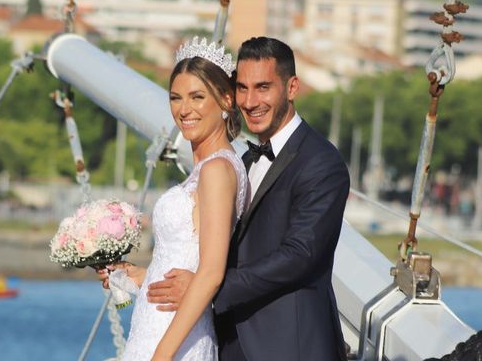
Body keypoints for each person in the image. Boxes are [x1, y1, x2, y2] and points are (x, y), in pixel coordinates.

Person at [147, 37, 350, 360]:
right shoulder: (243, 161)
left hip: (289, 347)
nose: (251, 101)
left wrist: (211, 288)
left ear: (292, 87)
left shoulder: (321, 162)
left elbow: (300, 255)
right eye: (242, 88)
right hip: (230, 344)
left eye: (263, 87)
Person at [99, 38, 248, 361]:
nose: (184, 109)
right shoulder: (209, 168)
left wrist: (161, 356)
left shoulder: (217, 170)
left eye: (197, 97)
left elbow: (210, 273)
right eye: (176, 97)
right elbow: (185, 259)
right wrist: (138, 275)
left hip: (176, 341)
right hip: (156, 327)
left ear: (225, 99)